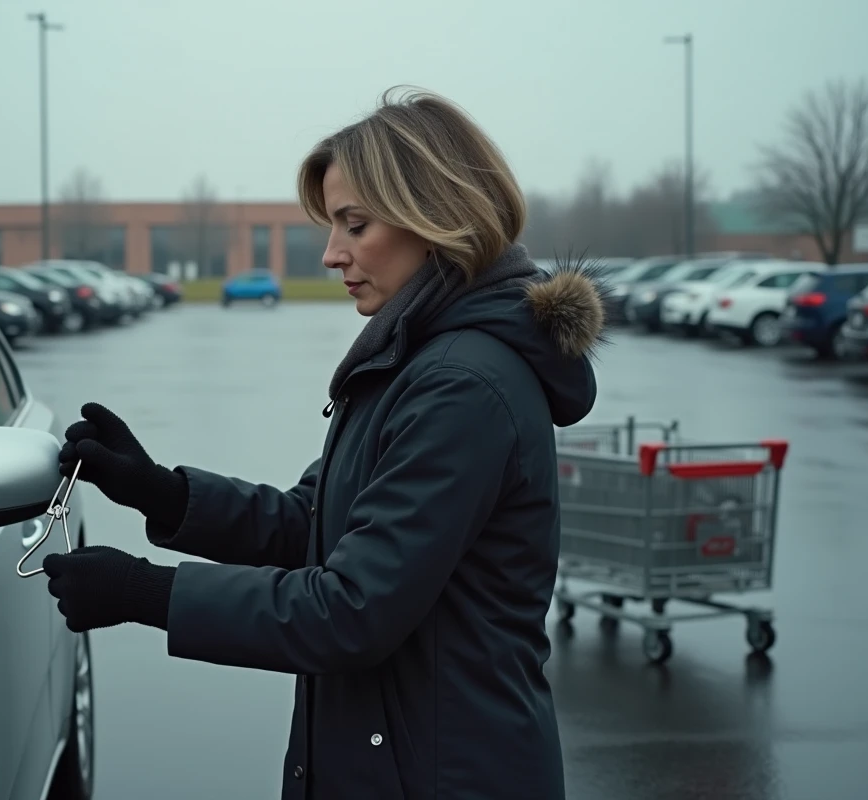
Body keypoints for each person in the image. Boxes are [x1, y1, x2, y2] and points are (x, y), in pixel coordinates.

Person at [42, 87, 607, 800]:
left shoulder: (463, 385)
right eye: (331, 226)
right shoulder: (412, 361)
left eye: (355, 224)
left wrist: (146, 591)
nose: (333, 253)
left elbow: (352, 610)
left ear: (433, 217)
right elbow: (314, 524)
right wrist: (162, 491)